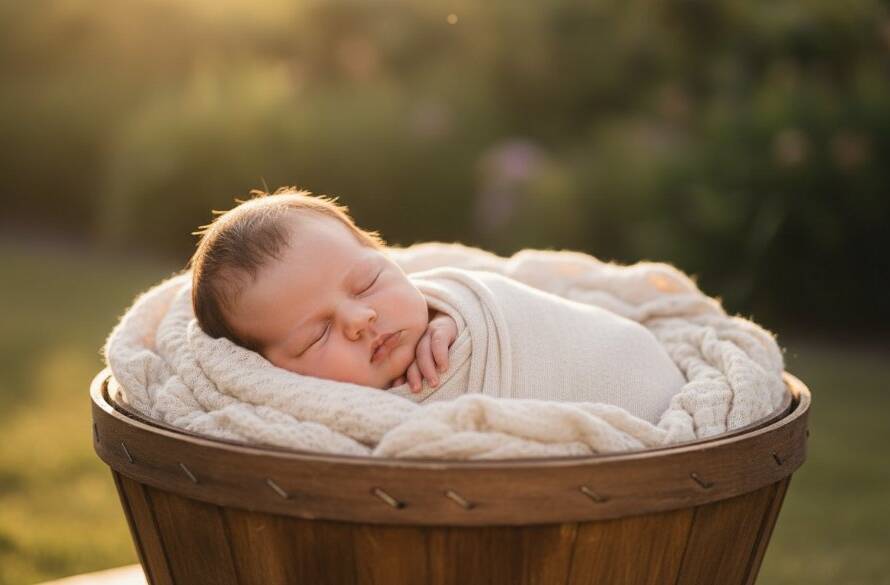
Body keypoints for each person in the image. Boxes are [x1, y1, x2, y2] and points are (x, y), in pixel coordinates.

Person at [190, 188, 456, 393]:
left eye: (368, 283)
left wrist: (453, 315)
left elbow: (478, 285)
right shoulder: (310, 418)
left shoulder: (453, 303)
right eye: (318, 336)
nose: (359, 319)